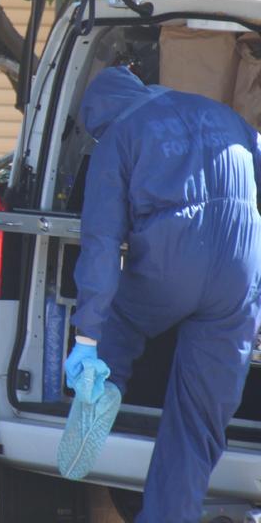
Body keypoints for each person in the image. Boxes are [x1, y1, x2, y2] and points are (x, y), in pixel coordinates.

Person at [65, 65, 261, 523]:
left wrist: (87, 339)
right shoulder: (221, 113)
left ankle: (99, 390)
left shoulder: (118, 137)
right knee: (196, 423)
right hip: (239, 269)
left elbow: (101, 244)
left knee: (122, 322)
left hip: (175, 259)